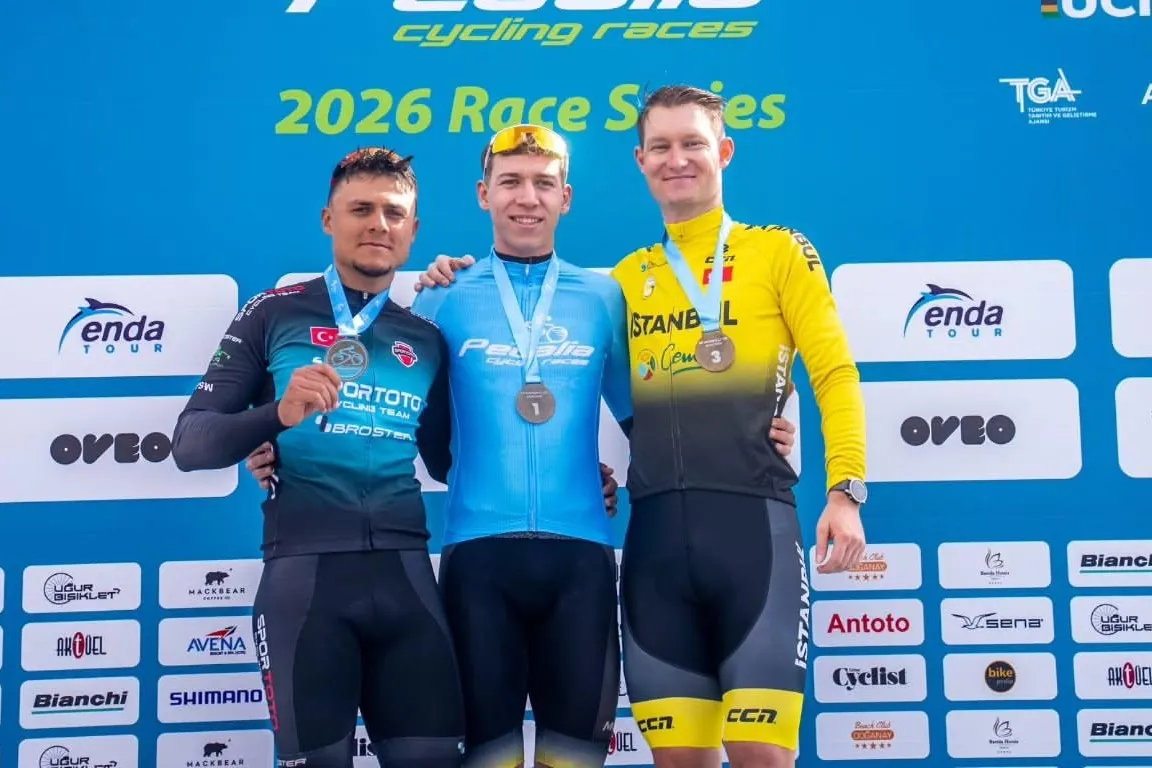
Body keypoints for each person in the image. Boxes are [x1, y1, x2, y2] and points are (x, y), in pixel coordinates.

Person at [245, 125, 800, 768]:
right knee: (491, 760)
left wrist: (747, 433)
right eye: (510, 182)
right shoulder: (440, 295)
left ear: (567, 196)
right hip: (478, 564)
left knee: (574, 759)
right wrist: (277, 445)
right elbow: (373, 402)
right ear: (484, 194)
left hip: (581, 563)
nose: (527, 198)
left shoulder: (605, 297)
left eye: (543, 183)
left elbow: (650, 414)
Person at [415, 85, 868, 768]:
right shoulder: (613, 283)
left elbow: (829, 372)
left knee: (760, 754)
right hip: (620, 549)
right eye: (661, 146)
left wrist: (838, 481)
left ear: (724, 151)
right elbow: (628, 413)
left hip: (732, 536)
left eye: (692, 143)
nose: (676, 159)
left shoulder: (753, 256)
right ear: (641, 159)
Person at [170, 148, 465, 768]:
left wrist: (574, 472)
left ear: (413, 230)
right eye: (361, 209)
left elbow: (448, 463)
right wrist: (276, 416)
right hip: (304, 586)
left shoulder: (425, 337)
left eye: (394, 213)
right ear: (329, 219)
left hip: (407, 579)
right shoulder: (273, 313)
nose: (378, 224)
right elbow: (190, 444)